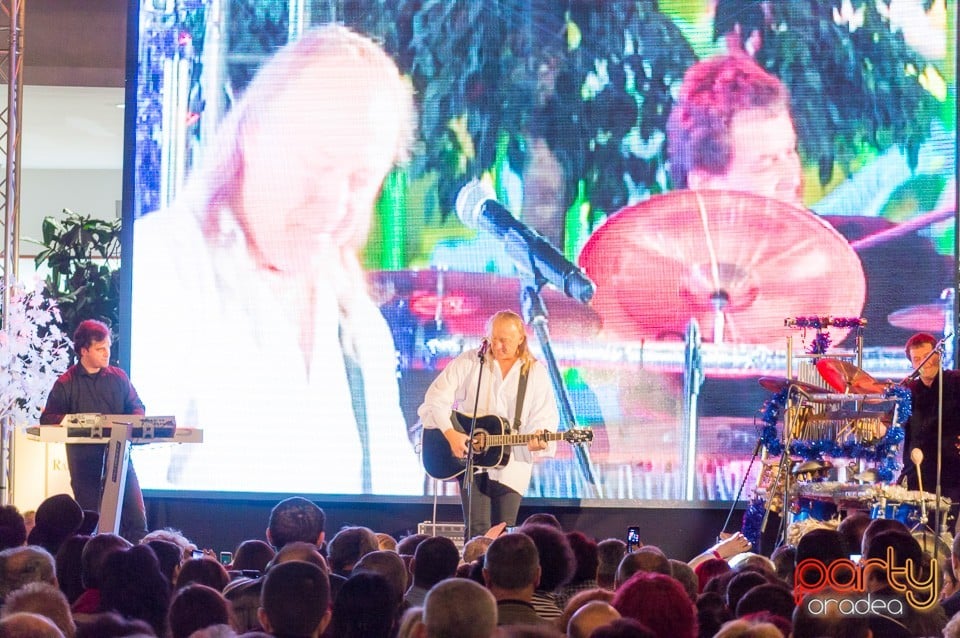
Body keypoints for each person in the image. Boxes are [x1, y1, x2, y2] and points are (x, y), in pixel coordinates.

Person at [130, 24, 422, 495]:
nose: (334, 202)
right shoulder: (166, 266)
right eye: (318, 164)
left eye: (360, 178)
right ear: (255, 133)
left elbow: (391, 517)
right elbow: (130, 519)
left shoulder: (360, 327)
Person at [418, 310, 559, 538]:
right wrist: (451, 433)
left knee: (504, 532)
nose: (499, 345)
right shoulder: (471, 361)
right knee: (476, 532)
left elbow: (544, 417)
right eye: (494, 339)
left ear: (521, 339)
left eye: (506, 340)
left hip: (512, 466)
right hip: (471, 462)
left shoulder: (535, 372)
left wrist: (538, 440)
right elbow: (436, 397)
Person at [38, 320, 148, 543]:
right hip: (85, 466)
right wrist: (81, 422)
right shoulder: (66, 383)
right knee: (89, 524)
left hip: (121, 461)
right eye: (100, 349)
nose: (107, 353)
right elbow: (48, 419)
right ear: (84, 350)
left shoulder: (118, 377)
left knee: (137, 521)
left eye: (108, 346)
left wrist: (133, 420)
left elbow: (138, 407)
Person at [899, 331, 960, 504]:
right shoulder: (909, 390)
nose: (923, 363)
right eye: (917, 359)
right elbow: (891, 420)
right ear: (912, 364)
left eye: (927, 356)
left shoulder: (956, 381)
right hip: (917, 473)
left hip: (952, 473)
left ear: (939, 355)